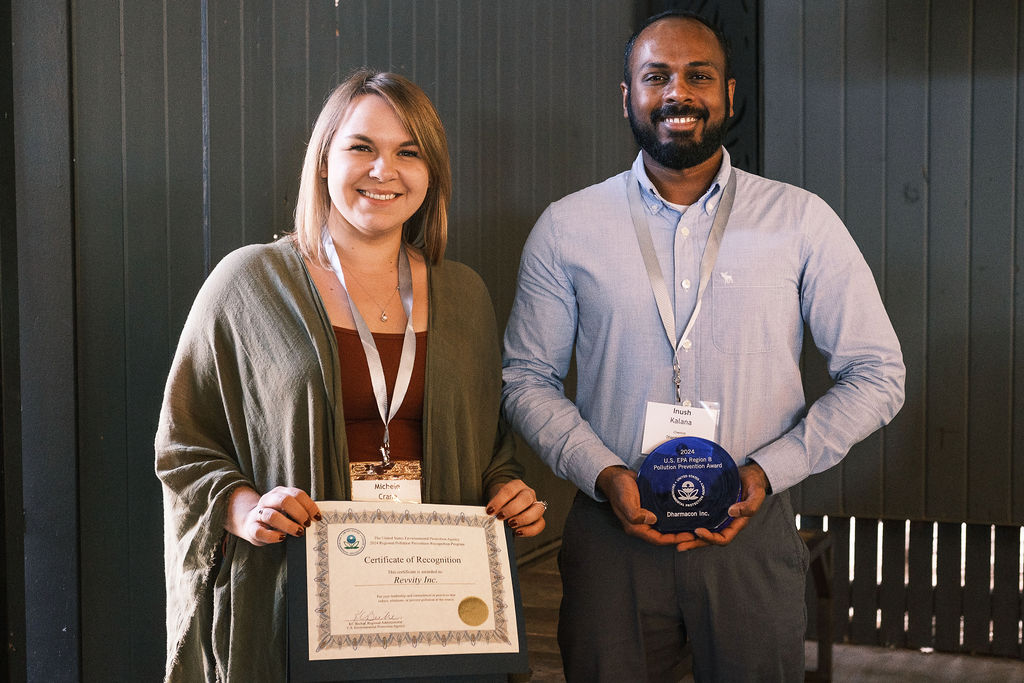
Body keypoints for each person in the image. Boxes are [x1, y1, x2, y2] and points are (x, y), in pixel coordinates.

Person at [502, 10, 904, 682]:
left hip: (749, 532)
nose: (678, 93)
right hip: (611, 537)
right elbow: (526, 379)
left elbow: (877, 373)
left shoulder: (801, 222)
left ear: (729, 95)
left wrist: (771, 468)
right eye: (656, 76)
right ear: (627, 95)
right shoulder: (566, 227)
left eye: (699, 76)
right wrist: (603, 472)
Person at [156, 68, 546, 682]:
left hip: (439, 609)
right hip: (296, 602)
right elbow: (184, 447)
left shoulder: (464, 293)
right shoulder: (248, 284)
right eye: (361, 147)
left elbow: (490, 447)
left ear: (431, 174)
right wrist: (248, 509)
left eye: (408, 152)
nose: (383, 170)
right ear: (323, 161)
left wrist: (507, 490)